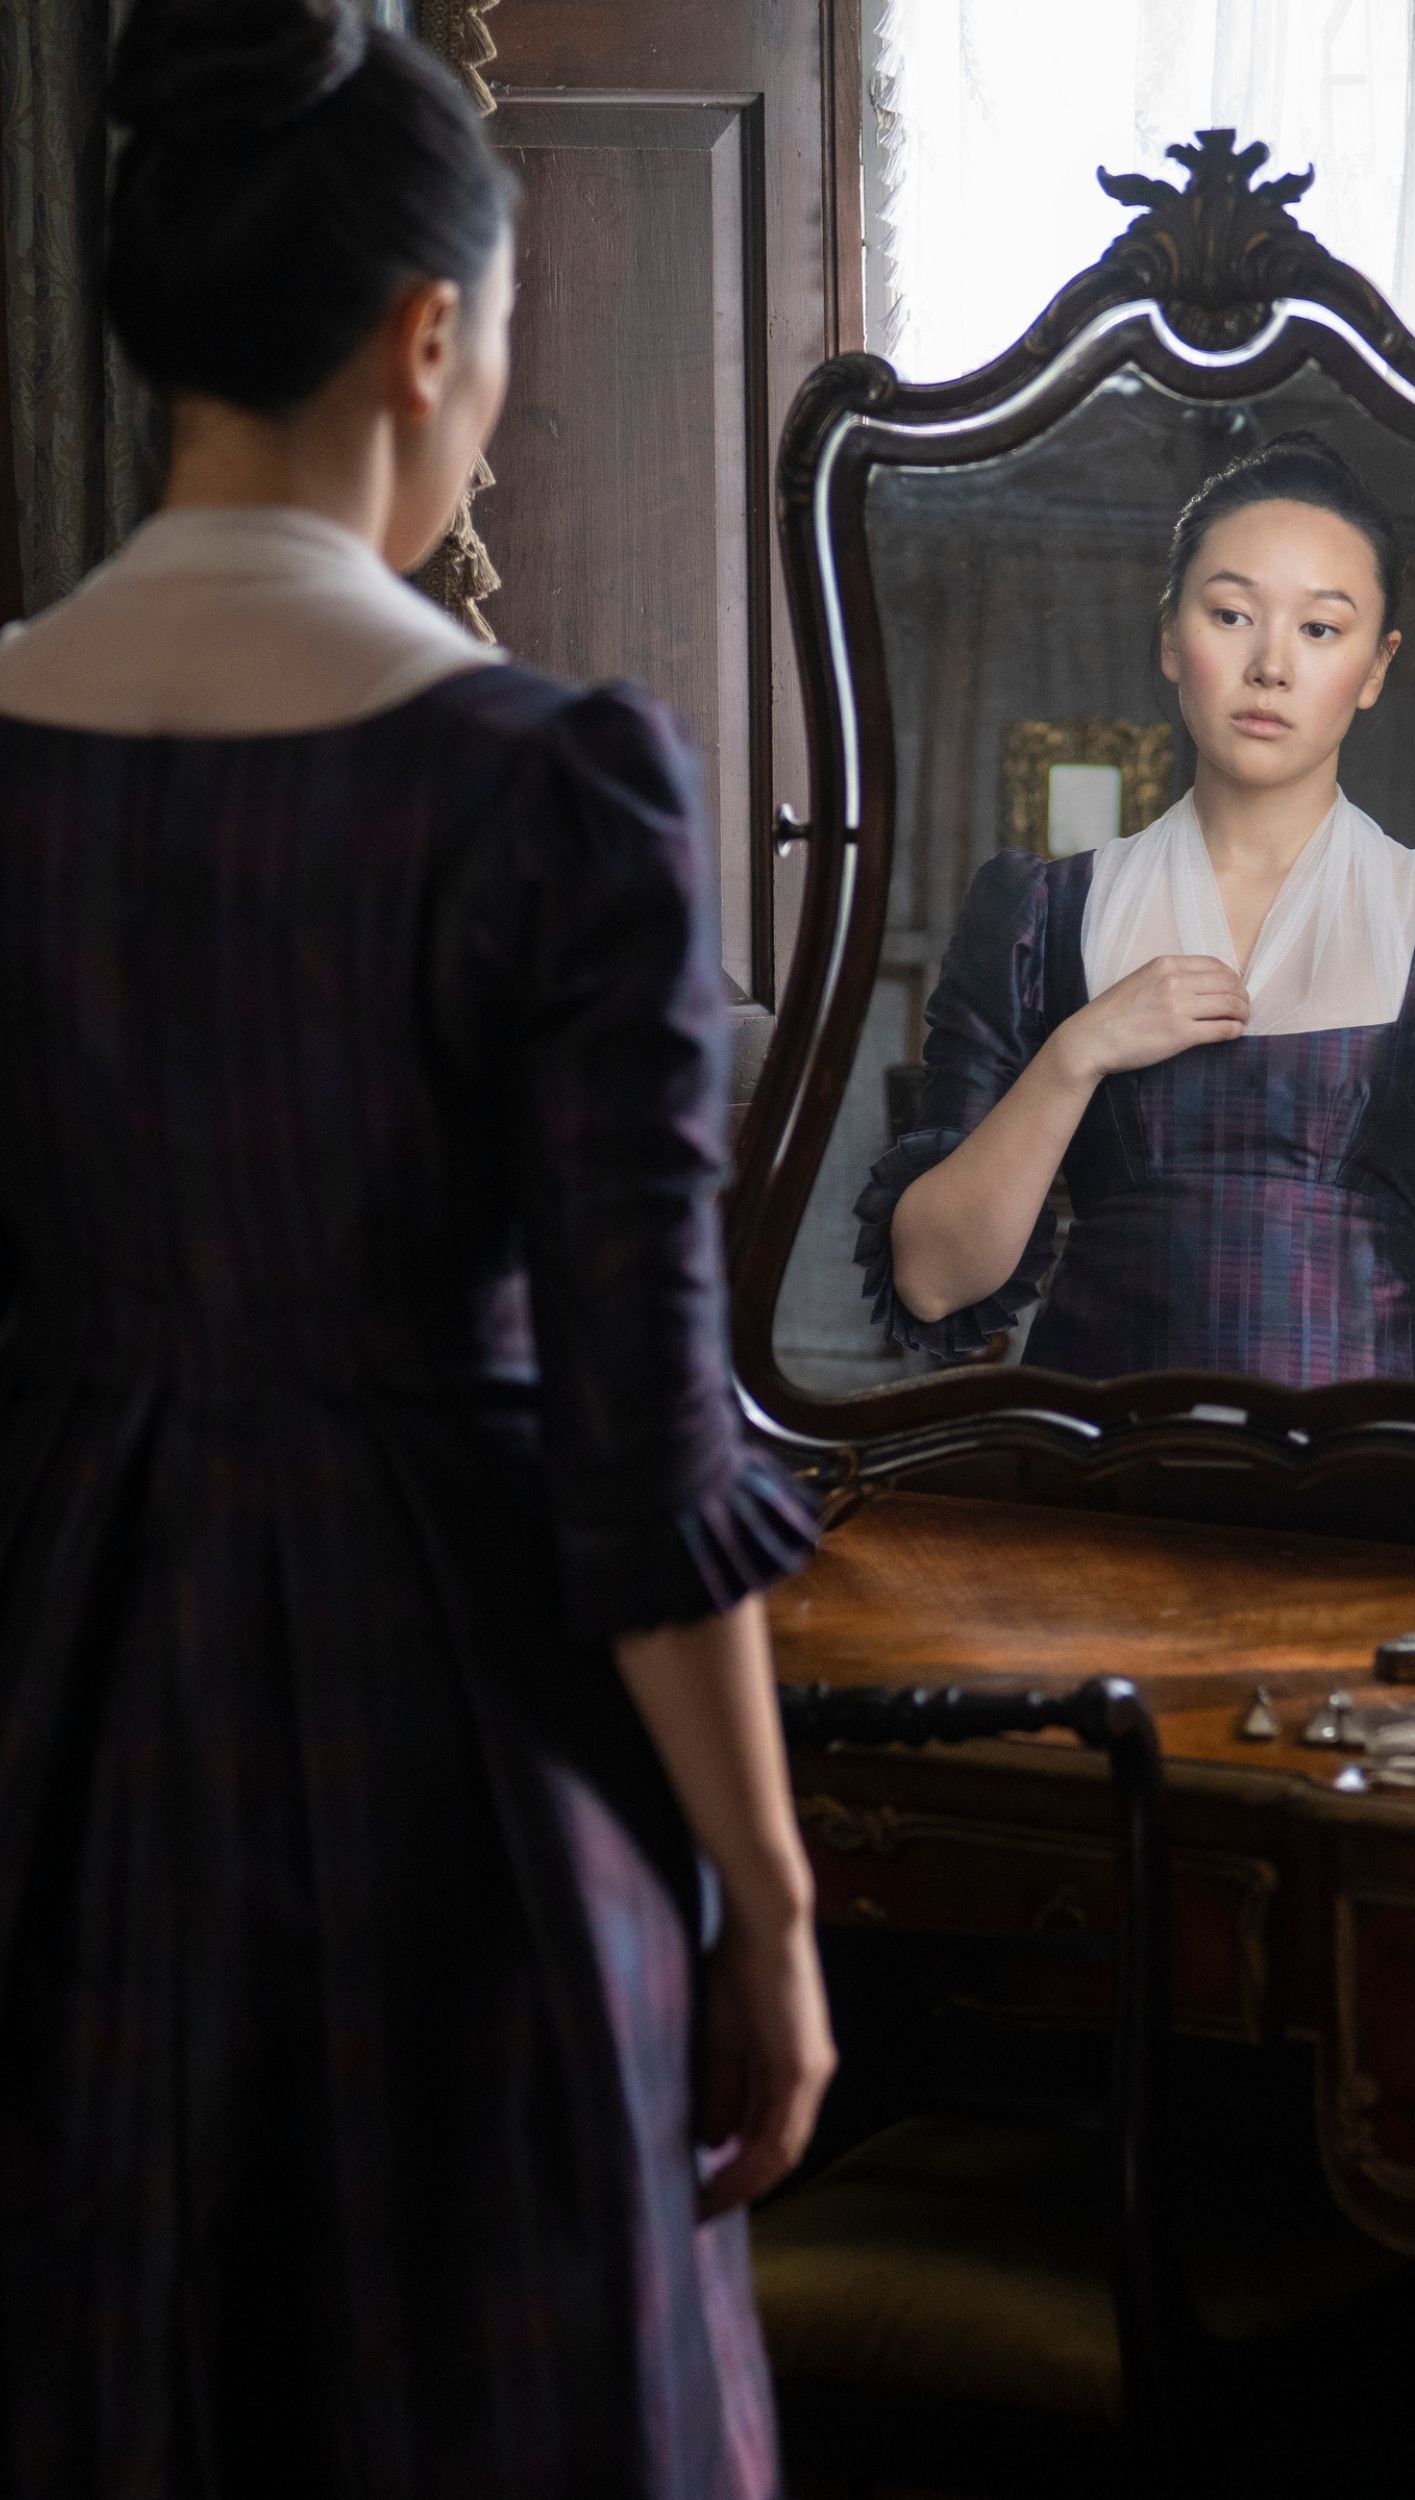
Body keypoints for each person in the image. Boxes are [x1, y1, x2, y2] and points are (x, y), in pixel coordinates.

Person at [0, 4, 832, 2492]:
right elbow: (642, 1452)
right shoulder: (543, 792)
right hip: (448, 1754)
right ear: (428, 338)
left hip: (67, 1720)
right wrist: (771, 1911)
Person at [857, 434, 1415, 1413]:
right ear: (1170, 637)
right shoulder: (1036, 914)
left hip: (1367, 1501)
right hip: (1094, 1490)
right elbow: (935, 1280)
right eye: (1231, 614)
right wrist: (1079, 1051)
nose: (1270, 666)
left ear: (1376, 666)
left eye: (1321, 629)